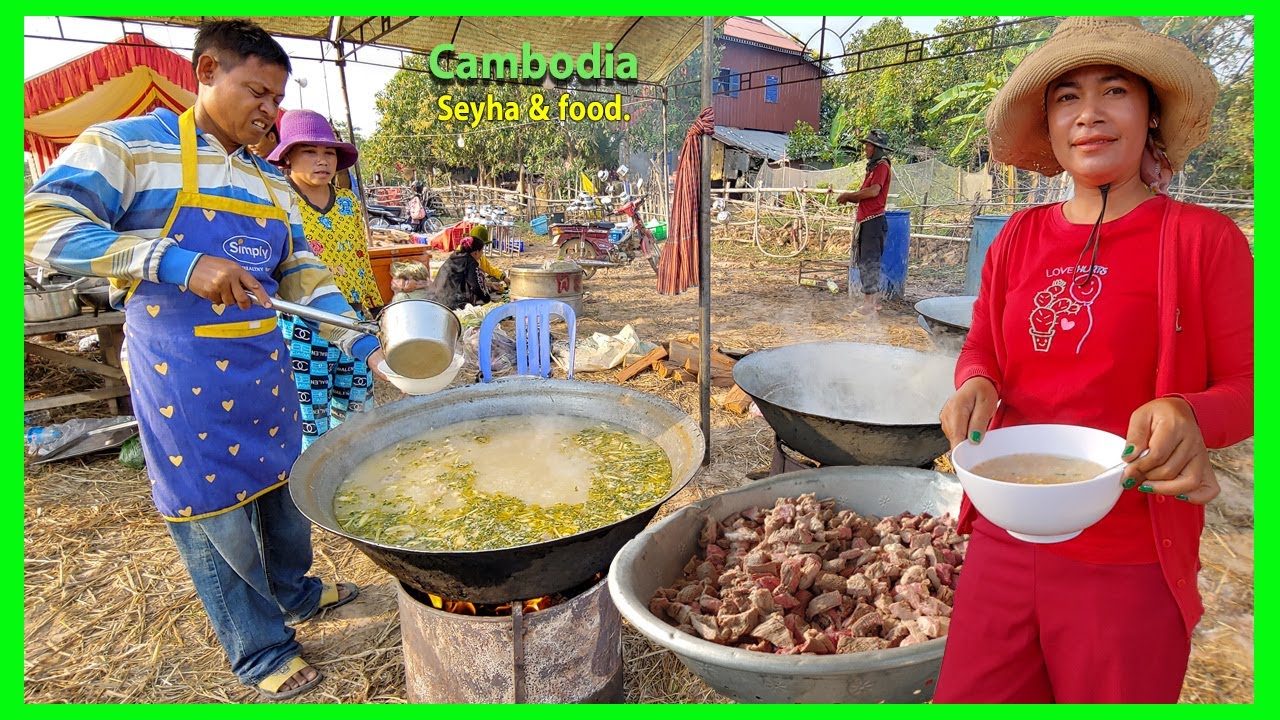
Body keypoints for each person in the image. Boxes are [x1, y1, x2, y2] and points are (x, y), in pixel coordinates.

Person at [24, 19, 382, 701]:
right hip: (179, 378)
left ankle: (295, 594)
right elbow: (36, 224)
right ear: (208, 69)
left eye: (276, 99)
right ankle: (258, 650)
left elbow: (300, 270)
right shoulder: (128, 146)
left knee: (284, 500)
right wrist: (176, 262)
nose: (267, 113)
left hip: (262, 367)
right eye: (256, 92)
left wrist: (361, 338)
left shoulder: (267, 181)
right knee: (214, 517)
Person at [933, 17, 1253, 703]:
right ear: (1048, 125)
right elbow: (983, 343)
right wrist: (975, 382)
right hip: (1003, 534)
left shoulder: (1204, 241)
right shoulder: (1017, 236)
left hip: (1131, 554)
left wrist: (1186, 410)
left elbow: (1250, 389)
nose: (1090, 114)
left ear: (1152, 116)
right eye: (1066, 97)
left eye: (1115, 90)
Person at [266, 109, 382, 451]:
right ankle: (314, 487)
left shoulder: (347, 201)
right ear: (287, 156)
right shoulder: (278, 201)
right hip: (304, 324)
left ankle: (359, 473)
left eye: (329, 152)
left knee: (359, 410)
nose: (322, 161)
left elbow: (360, 257)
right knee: (311, 414)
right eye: (310, 152)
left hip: (355, 318)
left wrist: (371, 307)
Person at [834, 129, 893, 313]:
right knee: (866, 260)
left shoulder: (882, 167)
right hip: (868, 221)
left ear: (877, 148)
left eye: (869, 145)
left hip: (873, 222)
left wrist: (850, 196)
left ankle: (870, 304)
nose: (866, 148)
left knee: (869, 261)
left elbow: (874, 191)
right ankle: (870, 302)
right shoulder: (874, 168)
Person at [431, 232, 492, 310]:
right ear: (476, 252)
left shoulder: (454, 256)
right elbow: (475, 286)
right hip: (451, 302)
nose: (482, 253)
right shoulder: (471, 263)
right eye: (482, 251)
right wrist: (487, 299)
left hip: (436, 296)